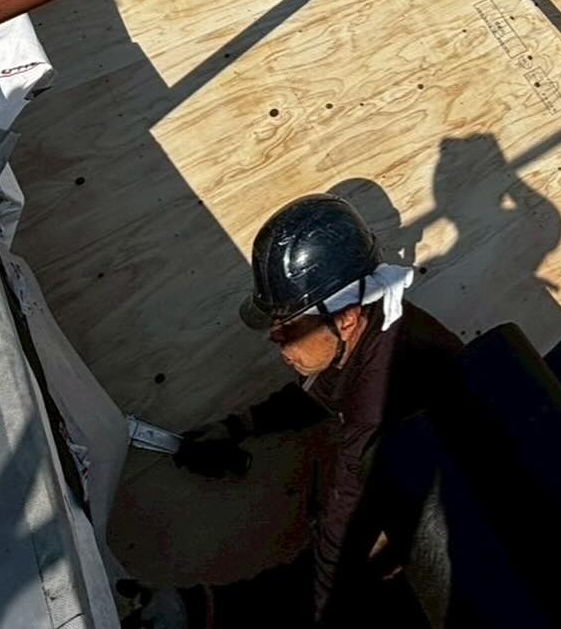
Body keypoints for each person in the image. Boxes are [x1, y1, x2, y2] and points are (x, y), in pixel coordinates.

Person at [172, 193, 462, 627]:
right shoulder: (371, 325)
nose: (276, 342)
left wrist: (212, 607)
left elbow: (339, 544)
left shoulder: (380, 399)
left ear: (345, 317)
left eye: (287, 328)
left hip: (455, 544)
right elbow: (319, 391)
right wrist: (239, 425)